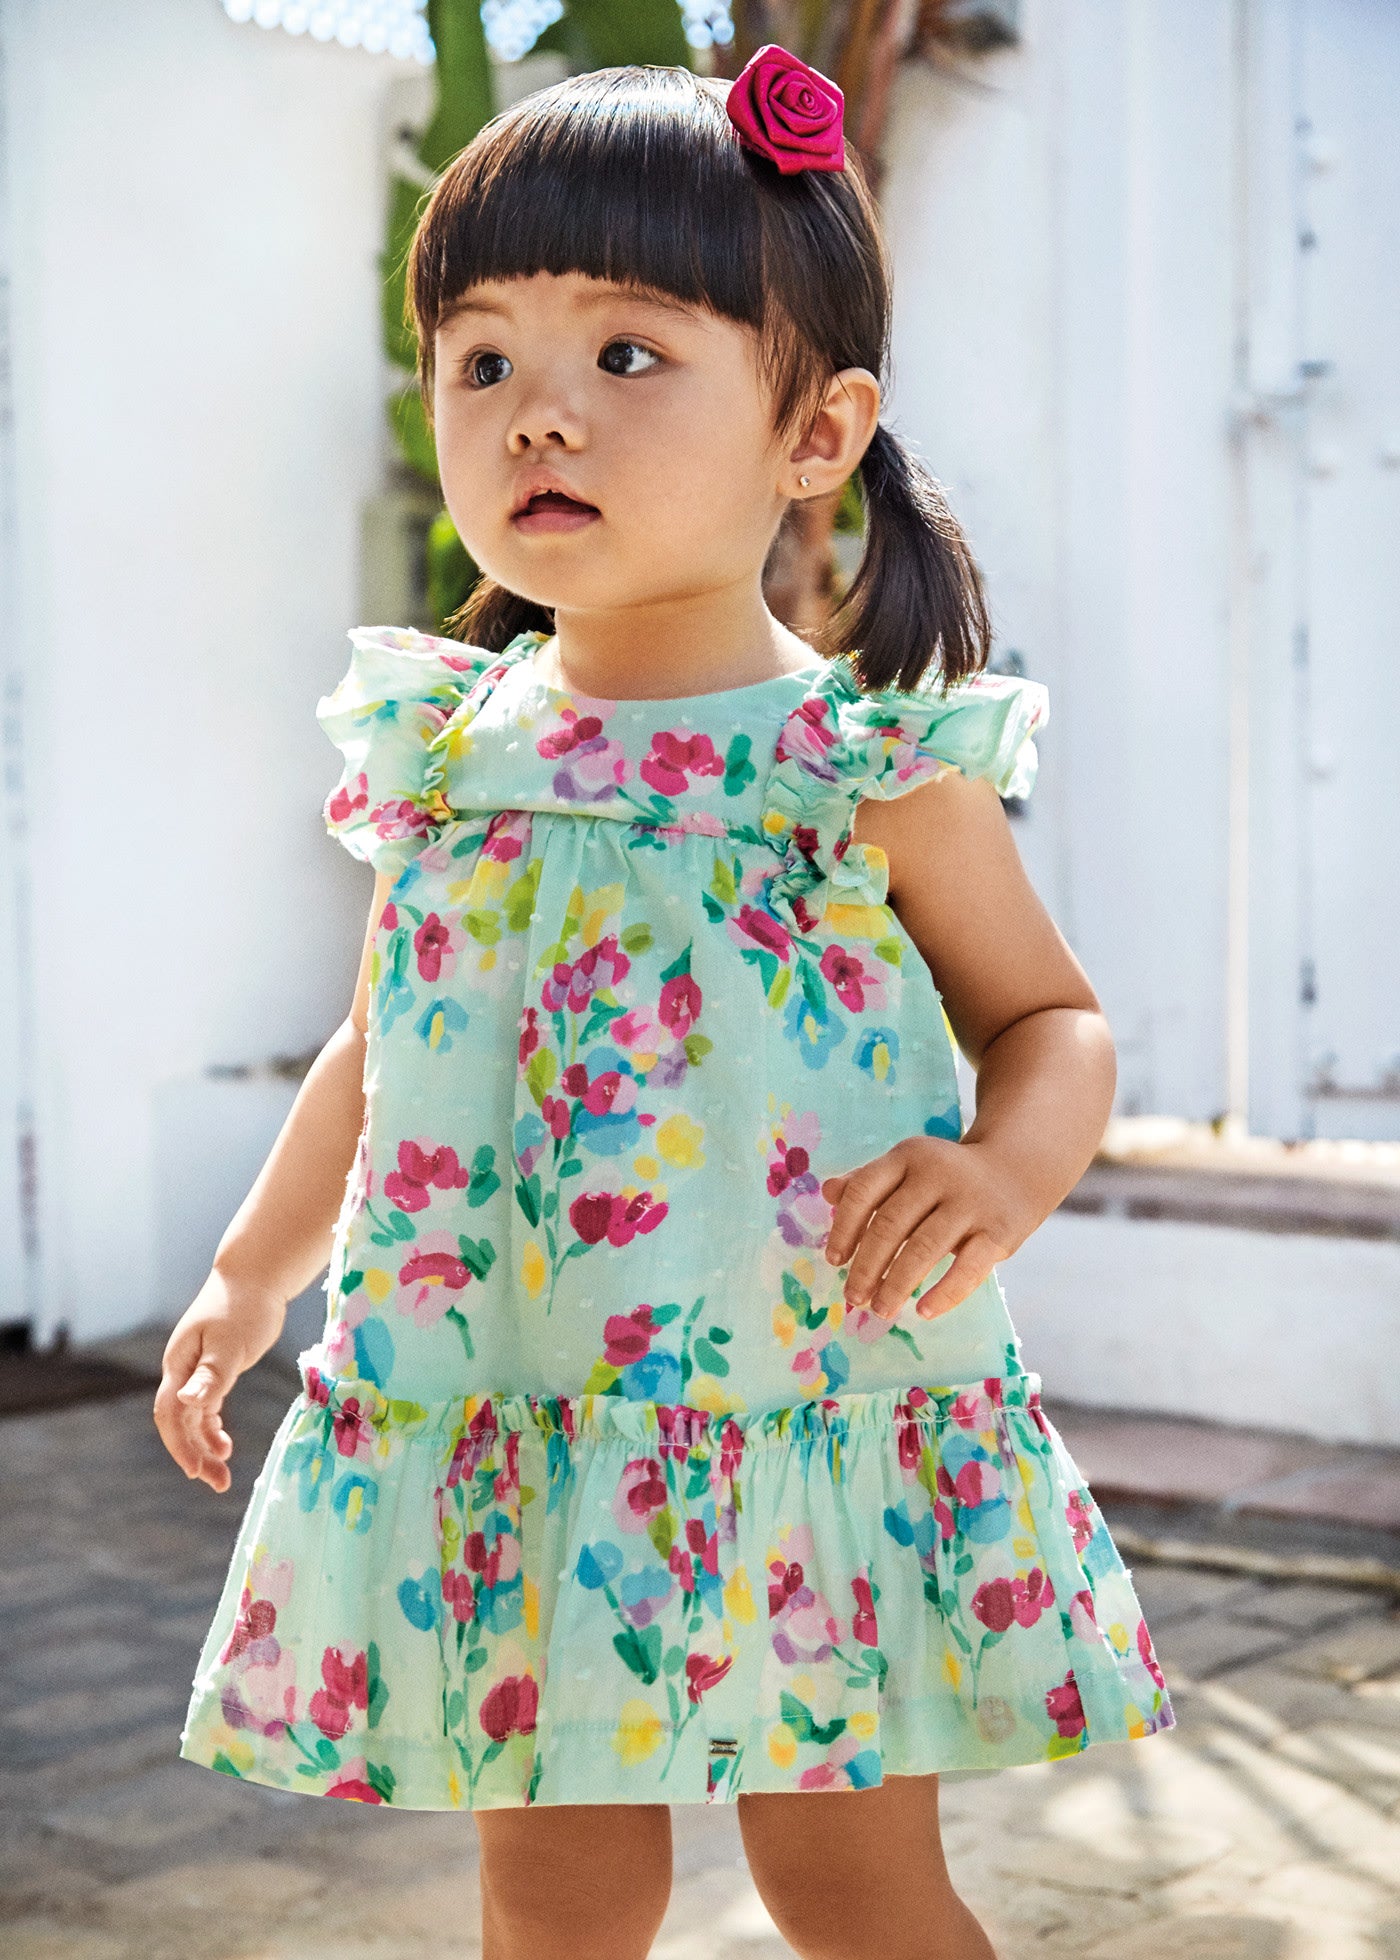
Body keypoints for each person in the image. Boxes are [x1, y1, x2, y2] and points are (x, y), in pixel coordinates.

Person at [157, 44, 1174, 1960]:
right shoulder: (444, 758)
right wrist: (248, 1274)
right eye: (483, 362)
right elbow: (381, 1047)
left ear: (818, 430)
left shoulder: (860, 764)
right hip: (519, 1417)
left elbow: (1053, 1021)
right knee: (553, 1887)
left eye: (627, 354)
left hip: (809, 1405)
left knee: (847, 1882)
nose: (540, 413)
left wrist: (1002, 1171)